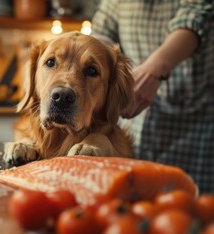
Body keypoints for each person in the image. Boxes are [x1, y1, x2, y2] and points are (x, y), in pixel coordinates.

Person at [90, 0, 214, 193]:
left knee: (190, 209)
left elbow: (195, 17)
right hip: (133, 124)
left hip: (194, 126)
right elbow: (101, 34)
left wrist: (154, 69)